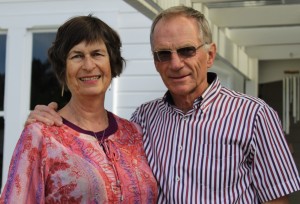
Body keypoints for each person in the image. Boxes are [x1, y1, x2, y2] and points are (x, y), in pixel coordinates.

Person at [24, 6, 300, 204]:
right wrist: (43, 118)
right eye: (164, 54)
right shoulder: (141, 121)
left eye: (187, 50)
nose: (176, 63)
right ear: (156, 63)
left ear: (210, 54)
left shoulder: (255, 116)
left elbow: (277, 198)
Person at [0, 15, 158, 203]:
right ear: (63, 68)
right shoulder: (40, 136)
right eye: (77, 56)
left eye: (97, 54)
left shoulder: (135, 133)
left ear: (112, 62)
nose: (89, 65)